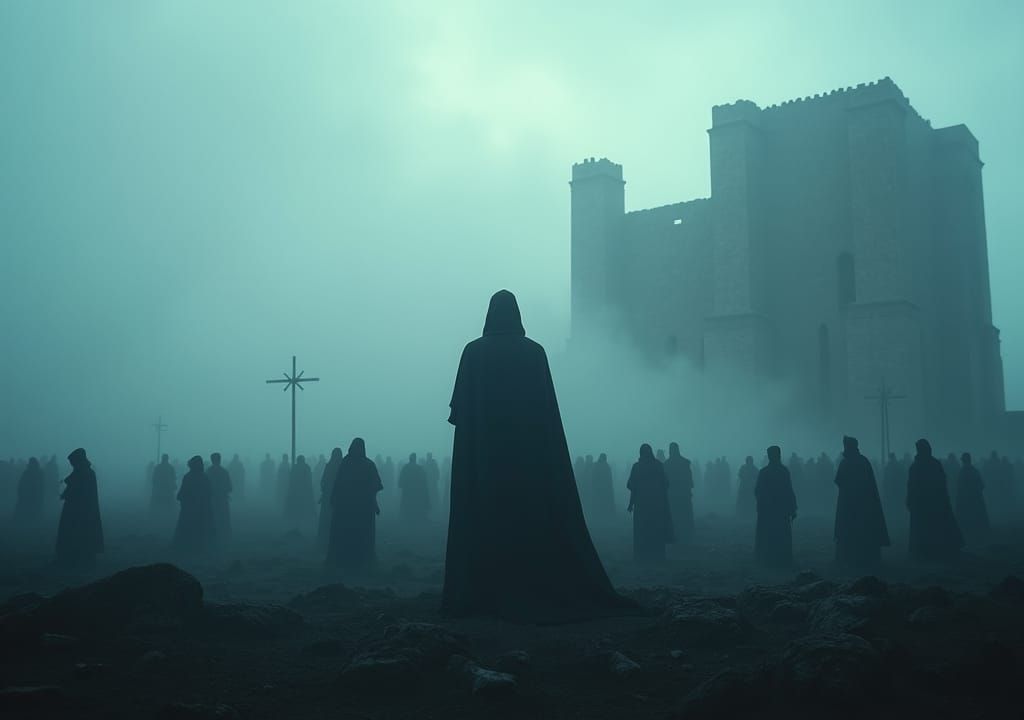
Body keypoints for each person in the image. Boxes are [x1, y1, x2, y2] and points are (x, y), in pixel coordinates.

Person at [442, 290, 635, 622]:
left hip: (485, 469)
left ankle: (482, 592)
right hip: (529, 469)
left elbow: (459, 413)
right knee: (528, 525)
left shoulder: (473, 353)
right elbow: (547, 416)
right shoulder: (534, 354)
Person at [327, 438, 383, 573]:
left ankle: (361, 561)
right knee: (348, 534)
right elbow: (338, 483)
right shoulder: (348, 463)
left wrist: (373, 503)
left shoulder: (364, 464)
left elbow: (374, 487)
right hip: (348, 508)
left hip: (360, 508)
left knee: (359, 535)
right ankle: (347, 561)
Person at [833, 436, 890, 569]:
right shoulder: (863, 461)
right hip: (864, 504)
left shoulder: (846, 463)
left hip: (850, 504)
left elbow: (838, 481)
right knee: (863, 529)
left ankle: (850, 557)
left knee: (851, 530)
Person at [907, 439, 964, 562]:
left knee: (930, 527)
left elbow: (912, 486)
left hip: (928, 503)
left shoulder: (918, 466)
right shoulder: (931, 465)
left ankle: (930, 549)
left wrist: (910, 500)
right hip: (929, 502)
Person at [55, 448, 104, 568]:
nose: (72, 465)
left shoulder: (86, 473)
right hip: (77, 509)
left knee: (80, 532)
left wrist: (67, 493)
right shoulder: (83, 472)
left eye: (73, 462)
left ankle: (80, 556)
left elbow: (79, 490)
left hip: (82, 511)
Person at [626, 444, 674, 564]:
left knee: (642, 530)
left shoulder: (637, 467)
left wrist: (631, 503)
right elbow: (666, 484)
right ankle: (658, 555)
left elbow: (631, 486)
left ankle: (642, 556)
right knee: (656, 529)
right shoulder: (658, 466)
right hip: (657, 505)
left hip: (641, 506)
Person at [754, 446, 797, 568]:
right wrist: (792, 507)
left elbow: (758, 491)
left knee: (771, 534)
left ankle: (770, 559)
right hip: (778, 510)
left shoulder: (765, 472)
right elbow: (789, 491)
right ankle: (779, 559)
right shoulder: (783, 471)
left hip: (772, 510)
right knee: (779, 534)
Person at [173, 455, 213, 557]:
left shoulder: (188, 477)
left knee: (187, 528)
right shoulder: (204, 478)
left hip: (189, 509)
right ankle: (198, 548)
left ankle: (186, 547)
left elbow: (182, 493)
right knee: (199, 529)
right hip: (200, 509)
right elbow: (209, 493)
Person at [955, 452, 990, 545]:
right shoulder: (974, 471)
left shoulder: (963, 472)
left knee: (968, 518)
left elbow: (959, 487)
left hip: (967, 500)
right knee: (976, 517)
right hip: (975, 499)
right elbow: (982, 485)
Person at [663, 443, 694, 545]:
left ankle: (680, 533)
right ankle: (684, 533)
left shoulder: (667, 464)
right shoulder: (684, 463)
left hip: (674, 493)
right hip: (680, 492)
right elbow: (689, 479)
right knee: (682, 513)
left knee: (676, 513)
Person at [317, 447, 344, 550]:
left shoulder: (330, 465)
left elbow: (323, 481)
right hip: (337, 497)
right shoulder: (343, 466)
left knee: (328, 519)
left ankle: (325, 541)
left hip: (331, 496)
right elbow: (324, 481)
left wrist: (324, 490)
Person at [207, 452, 232, 547]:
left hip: (212, 499)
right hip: (221, 499)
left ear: (212, 460)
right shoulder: (224, 472)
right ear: (219, 460)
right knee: (223, 518)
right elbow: (230, 487)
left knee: (213, 517)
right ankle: (224, 536)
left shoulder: (208, 472)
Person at [398, 452, 430, 526]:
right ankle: (415, 518)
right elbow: (423, 481)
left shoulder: (405, 468)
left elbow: (400, 482)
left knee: (408, 506)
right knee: (414, 505)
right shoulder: (419, 468)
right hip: (416, 492)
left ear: (410, 458)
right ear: (415, 459)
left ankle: (408, 519)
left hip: (407, 492)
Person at [286, 455, 315, 534]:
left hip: (297, 492)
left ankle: (298, 526)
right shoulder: (306, 467)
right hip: (302, 492)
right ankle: (300, 526)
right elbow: (309, 480)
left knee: (297, 509)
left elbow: (291, 480)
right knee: (301, 509)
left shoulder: (295, 468)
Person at [13, 457, 45, 527]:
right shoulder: (38, 473)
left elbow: (21, 484)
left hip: (31, 495)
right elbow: (22, 484)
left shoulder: (29, 472)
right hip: (30, 495)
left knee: (29, 511)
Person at [589, 453, 617, 527]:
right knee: (603, 506)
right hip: (604, 491)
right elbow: (609, 481)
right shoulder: (607, 467)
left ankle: (598, 521)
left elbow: (593, 479)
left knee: (598, 506)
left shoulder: (596, 466)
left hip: (598, 491)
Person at [150, 454, 178, 519]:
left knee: (159, 503)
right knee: (168, 503)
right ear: (167, 459)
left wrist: (155, 486)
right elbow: (173, 478)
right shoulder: (170, 467)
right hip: (166, 489)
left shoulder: (158, 467)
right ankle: (168, 516)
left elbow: (154, 479)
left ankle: (157, 515)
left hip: (161, 489)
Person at [735, 456, 758, 522]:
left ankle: (748, 514)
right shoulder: (746, 468)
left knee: (749, 501)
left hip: (749, 487)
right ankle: (743, 514)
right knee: (743, 500)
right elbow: (740, 475)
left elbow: (756, 477)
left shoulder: (753, 469)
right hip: (745, 487)